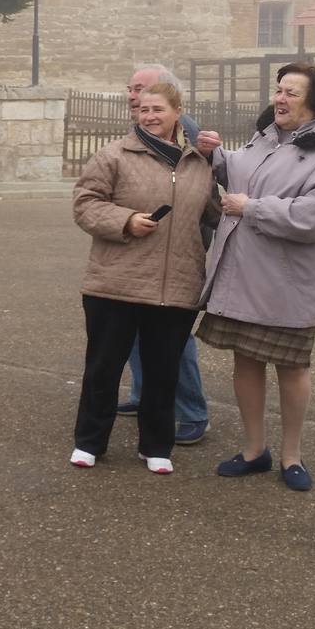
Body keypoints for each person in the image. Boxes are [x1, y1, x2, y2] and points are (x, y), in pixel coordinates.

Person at [194, 63, 315, 492]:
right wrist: (216, 156)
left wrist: (251, 209)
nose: (279, 99)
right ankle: (253, 450)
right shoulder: (267, 136)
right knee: (245, 361)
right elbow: (244, 172)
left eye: (291, 93)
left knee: (292, 368)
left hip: (286, 281)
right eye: (279, 90)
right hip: (242, 272)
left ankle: (291, 456)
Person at [70, 82, 219, 473]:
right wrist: (126, 220)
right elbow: (85, 204)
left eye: (158, 109)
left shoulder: (199, 164)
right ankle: (89, 441)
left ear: (177, 112)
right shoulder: (113, 155)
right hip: (115, 283)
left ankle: (156, 446)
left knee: (163, 372)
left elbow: (216, 214)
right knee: (103, 368)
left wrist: (226, 166)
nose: (149, 116)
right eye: (143, 110)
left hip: (177, 286)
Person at [115, 64, 212, 444]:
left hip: (175, 249)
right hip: (141, 244)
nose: (133, 95)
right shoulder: (140, 127)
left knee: (174, 337)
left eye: (141, 88)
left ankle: (192, 412)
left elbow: (200, 194)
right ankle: (144, 394)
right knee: (134, 328)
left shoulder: (185, 130)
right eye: (131, 88)